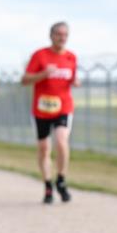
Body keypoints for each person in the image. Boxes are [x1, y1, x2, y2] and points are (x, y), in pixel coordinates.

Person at [22, 21, 79, 203]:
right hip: (41, 110)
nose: (62, 38)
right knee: (44, 148)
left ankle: (61, 179)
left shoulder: (71, 57)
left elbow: (71, 78)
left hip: (63, 107)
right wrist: (43, 74)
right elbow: (24, 80)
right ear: (51, 35)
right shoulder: (40, 55)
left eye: (65, 35)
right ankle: (48, 185)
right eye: (58, 34)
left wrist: (74, 82)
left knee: (62, 140)